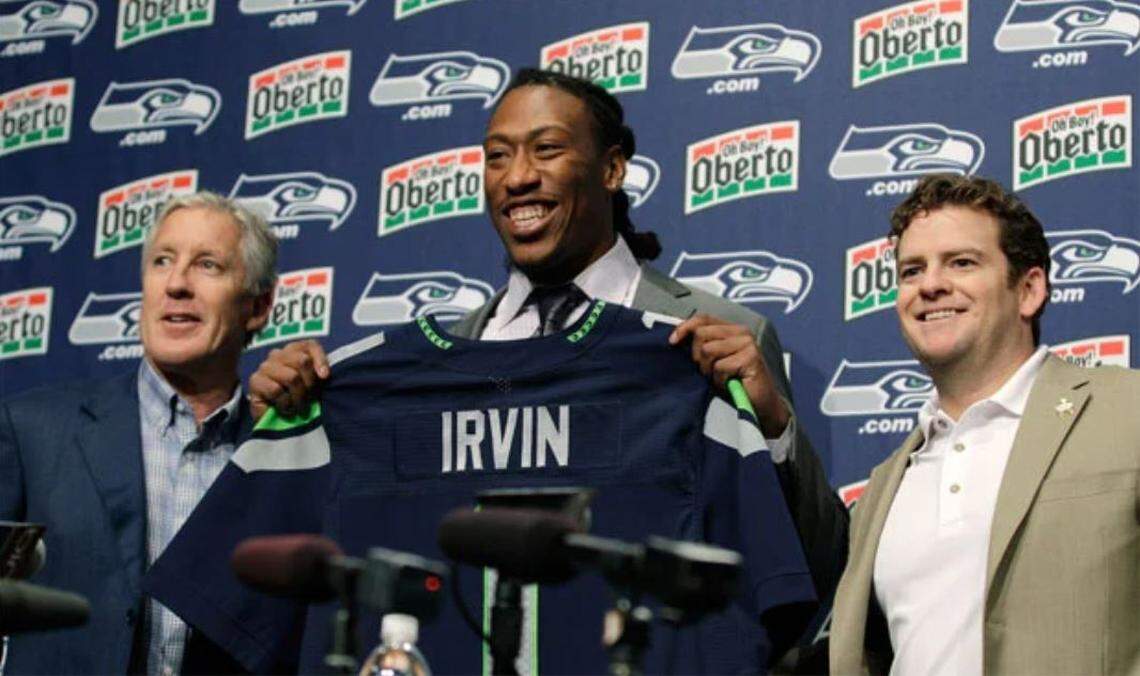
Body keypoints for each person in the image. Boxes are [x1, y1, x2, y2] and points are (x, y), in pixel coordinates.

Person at [247, 68, 848, 605]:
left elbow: (814, 571)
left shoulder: (719, 338)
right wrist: (291, 415)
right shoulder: (447, 356)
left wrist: (772, 429)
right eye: (497, 156)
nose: (518, 178)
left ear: (612, 168)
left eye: (547, 150)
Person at [829, 174, 1140, 675]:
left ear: (1029, 289)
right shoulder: (886, 486)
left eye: (962, 262)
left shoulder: (1129, 412)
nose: (930, 285)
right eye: (912, 270)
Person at [0, 192, 277, 674]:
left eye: (207, 265)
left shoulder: (283, 453)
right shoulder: (32, 430)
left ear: (257, 307)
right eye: (162, 261)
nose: (176, 284)